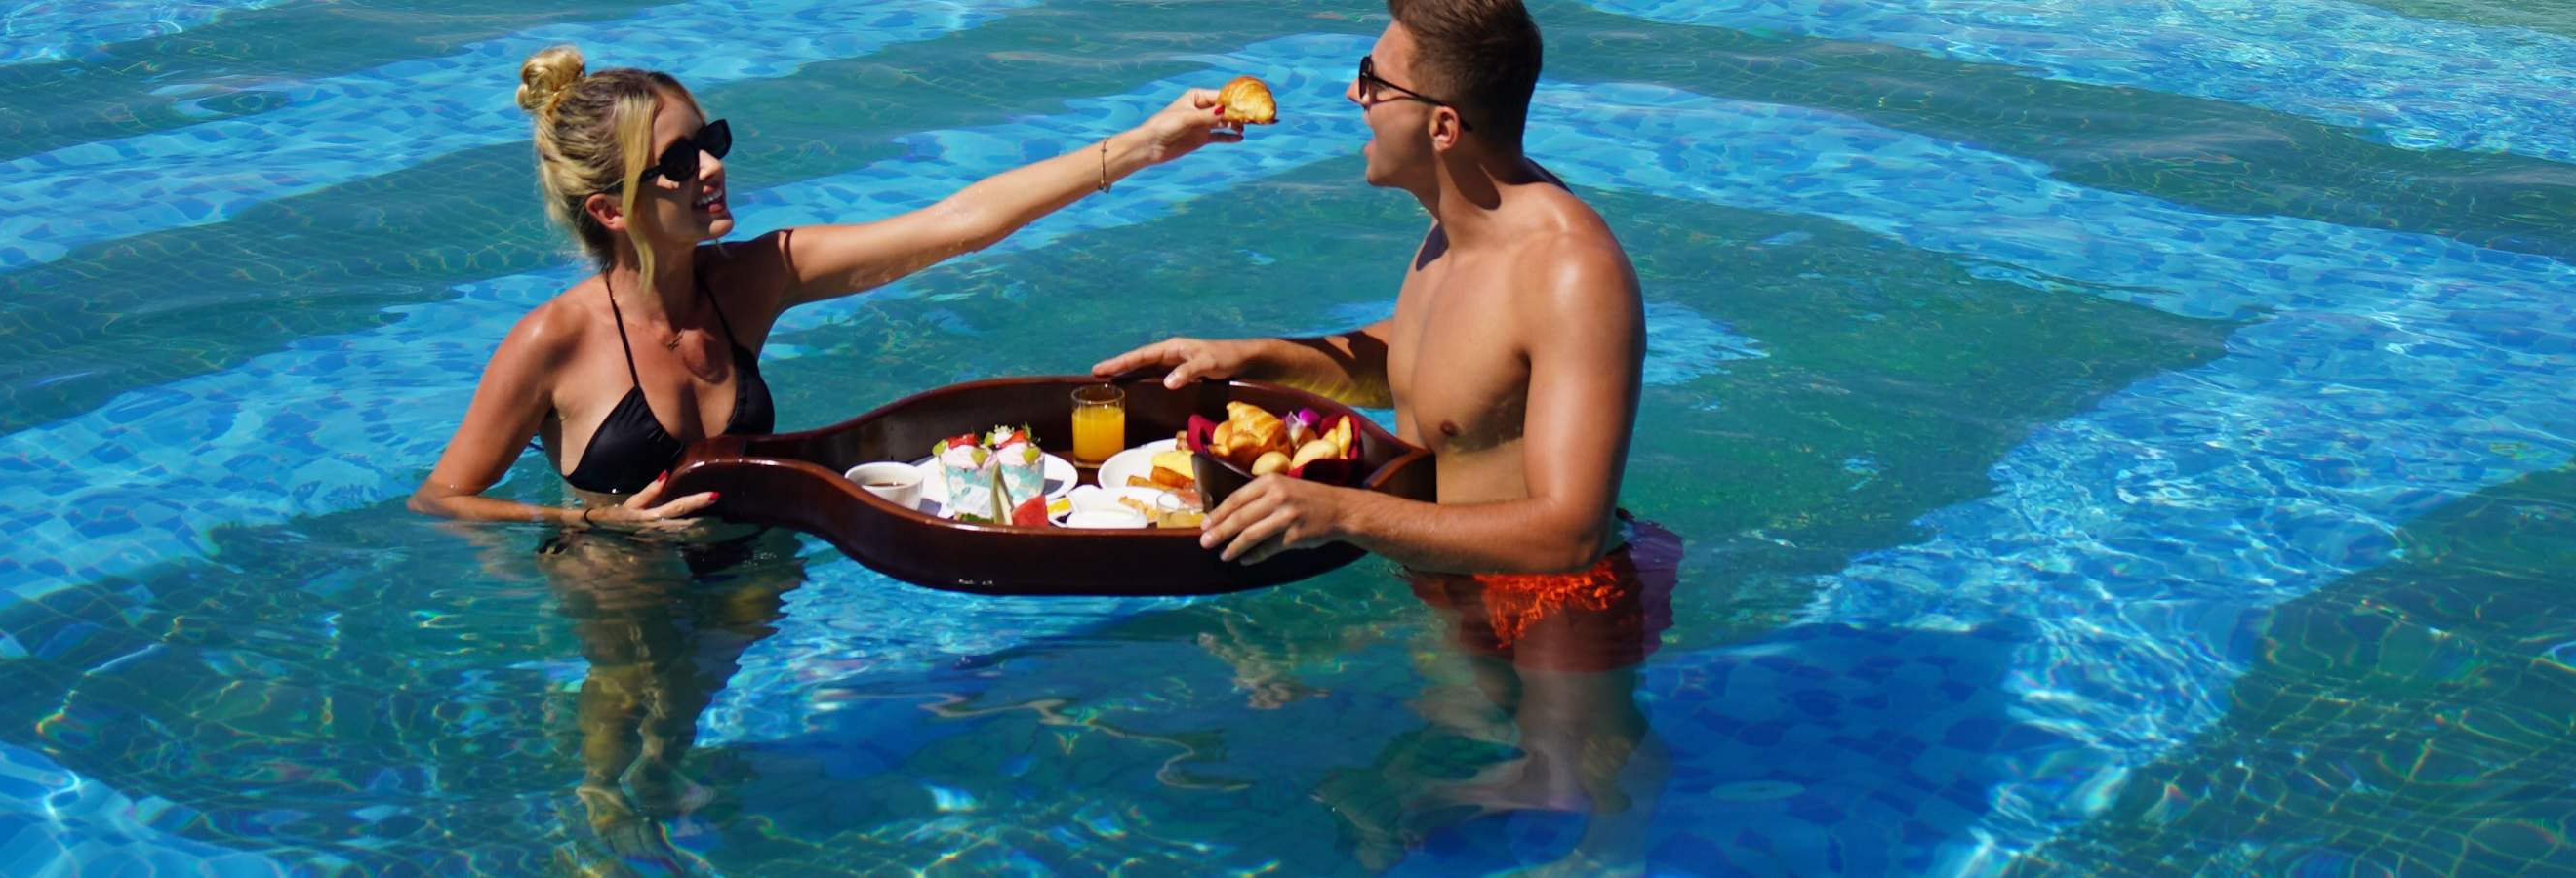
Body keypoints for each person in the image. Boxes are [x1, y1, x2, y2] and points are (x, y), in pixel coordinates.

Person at [408, 45, 1239, 870]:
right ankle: (597, 826)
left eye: (711, 141)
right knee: (624, 704)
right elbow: (442, 499)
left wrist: (1149, 141)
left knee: (679, 716)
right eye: (678, 161)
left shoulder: (753, 278)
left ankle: (659, 787)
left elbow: (959, 223)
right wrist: (594, 521)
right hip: (622, 572)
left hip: (752, 559)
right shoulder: (552, 340)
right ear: (610, 209)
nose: (712, 167)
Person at [1091, 0, 1670, 870]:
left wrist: (1340, 514)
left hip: (1555, 604)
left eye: (1372, 81)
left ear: (1441, 126)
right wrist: (1254, 357)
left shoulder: (1570, 272)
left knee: (1571, 804)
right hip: (1444, 574)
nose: (1352, 95)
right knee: (1389, 811)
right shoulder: (1458, 223)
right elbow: (1440, 364)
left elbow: (1570, 532)